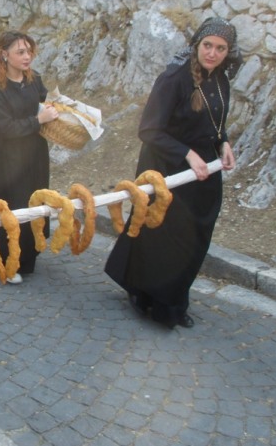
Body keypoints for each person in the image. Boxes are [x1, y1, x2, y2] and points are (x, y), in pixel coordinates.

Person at [104, 17, 241, 329]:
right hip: (167, 166)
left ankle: (173, 297)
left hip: (203, 170)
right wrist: (187, 153)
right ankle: (159, 302)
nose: (213, 53)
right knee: (165, 236)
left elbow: (216, 122)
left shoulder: (220, 79)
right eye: (208, 45)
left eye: (221, 48)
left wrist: (225, 143)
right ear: (197, 44)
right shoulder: (175, 77)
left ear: (228, 53)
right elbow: (149, 130)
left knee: (196, 236)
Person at [0, 30, 58, 284]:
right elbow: (6, 128)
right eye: (21, 52)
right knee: (13, 204)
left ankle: (28, 256)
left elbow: (45, 102)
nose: (27, 56)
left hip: (35, 153)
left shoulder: (34, 79)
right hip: (8, 156)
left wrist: (54, 109)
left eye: (29, 51)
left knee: (34, 201)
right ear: (5, 55)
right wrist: (38, 120)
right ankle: (7, 260)